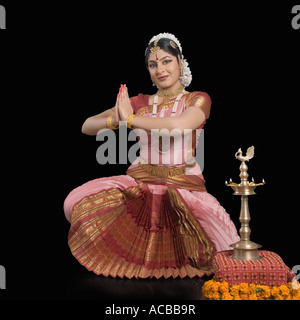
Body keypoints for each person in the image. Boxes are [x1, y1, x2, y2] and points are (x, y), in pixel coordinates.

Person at [64, 33, 239, 279]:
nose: (160, 69)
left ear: (180, 62)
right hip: (141, 182)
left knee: (226, 251)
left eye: (167, 61)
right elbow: (87, 125)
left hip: (182, 186)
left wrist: (132, 119)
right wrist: (117, 120)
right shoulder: (139, 101)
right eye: (153, 65)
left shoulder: (197, 99)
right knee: (74, 204)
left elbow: (179, 125)